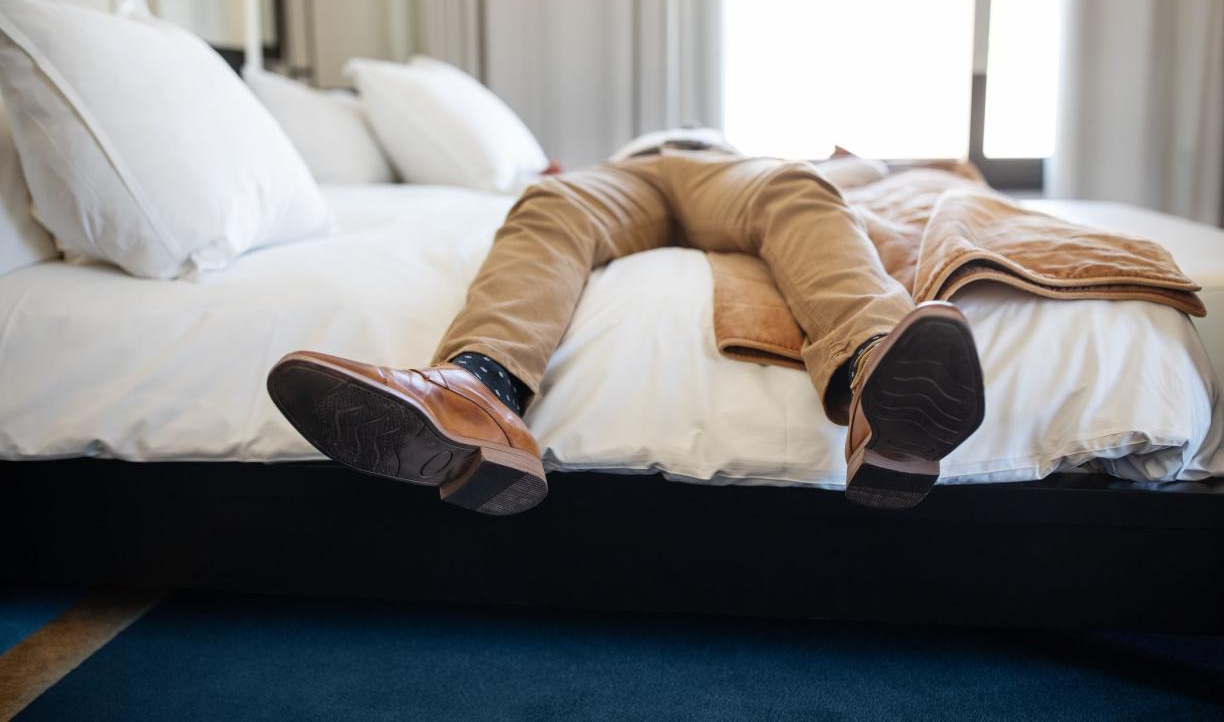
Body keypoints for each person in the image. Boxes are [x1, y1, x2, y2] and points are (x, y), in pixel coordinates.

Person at [267, 135, 988, 514]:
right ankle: (475, 395)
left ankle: (877, 379)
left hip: (731, 170)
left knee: (800, 189)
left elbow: (866, 173)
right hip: (627, 173)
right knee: (551, 204)